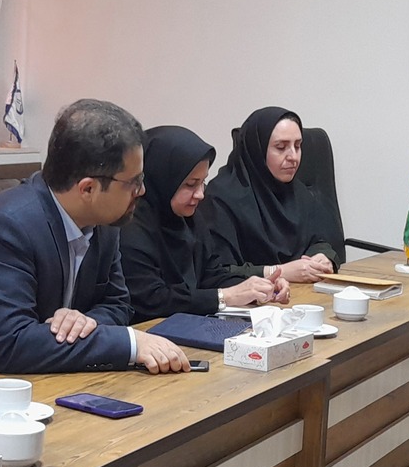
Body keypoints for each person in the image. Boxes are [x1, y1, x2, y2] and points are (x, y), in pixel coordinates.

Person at [0, 99, 188, 393]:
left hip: (41, 383)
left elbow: (118, 304)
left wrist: (84, 322)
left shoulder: (105, 220)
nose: (142, 191)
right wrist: (130, 343)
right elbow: (14, 343)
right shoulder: (3, 227)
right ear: (88, 188)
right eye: (133, 182)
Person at [120, 125, 290, 320]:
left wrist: (258, 286)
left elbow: (211, 275)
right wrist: (225, 297)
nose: (200, 194)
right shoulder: (129, 228)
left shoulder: (190, 217)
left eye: (203, 182)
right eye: (190, 184)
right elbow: (152, 300)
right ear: (162, 178)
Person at [199, 107, 345, 288]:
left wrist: (323, 258)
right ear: (257, 150)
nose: (293, 157)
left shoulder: (297, 192)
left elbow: (320, 241)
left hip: (303, 294)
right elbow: (218, 272)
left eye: (298, 146)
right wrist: (279, 271)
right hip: (251, 301)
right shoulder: (221, 198)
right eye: (281, 147)